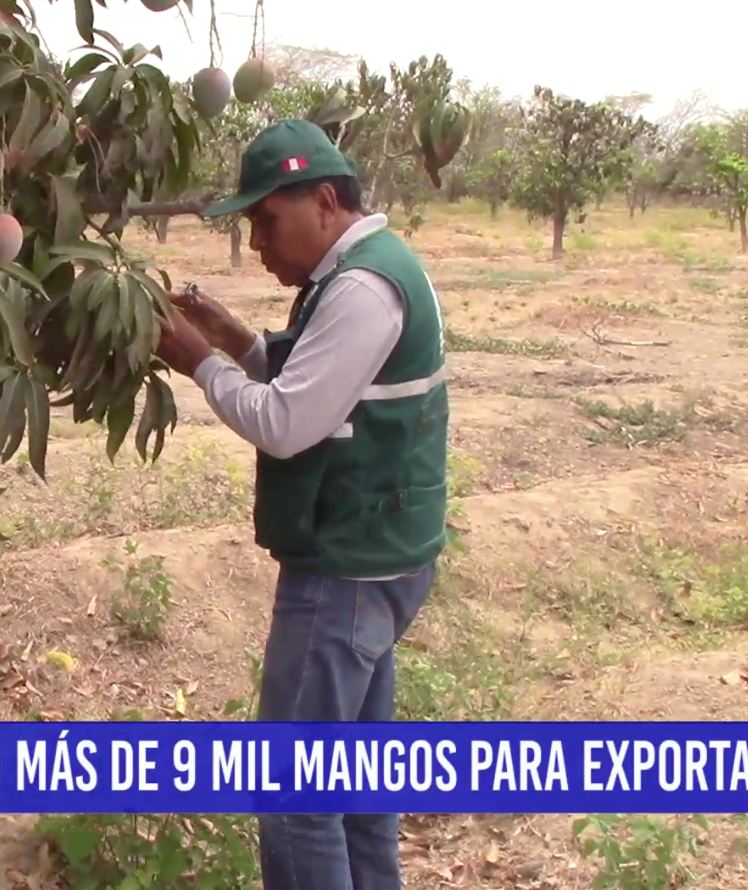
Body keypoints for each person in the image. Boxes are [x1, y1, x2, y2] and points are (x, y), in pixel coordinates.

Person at [151, 119, 450, 890]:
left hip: (346, 570)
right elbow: (324, 385)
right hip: (382, 554)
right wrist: (235, 338)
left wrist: (197, 360)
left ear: (322, 201)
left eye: (265, 219)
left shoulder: (360, 289)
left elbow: (285, 423)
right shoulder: (370, 270)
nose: (256, 243)